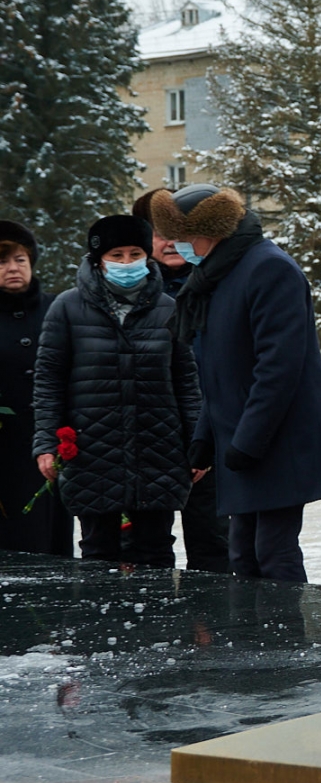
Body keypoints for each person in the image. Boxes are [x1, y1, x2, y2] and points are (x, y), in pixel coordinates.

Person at [150, 184, 321, 582]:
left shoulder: (267, 268)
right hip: (244, 440)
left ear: (212, 230)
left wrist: (247, 440)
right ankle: (253, 638)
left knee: (273, 553)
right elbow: (218, 370)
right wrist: (205, 441)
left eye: (184, 237)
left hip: (277, 441)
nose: (178, 245)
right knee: (242, 554)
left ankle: (283, 641)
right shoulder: (216, 273)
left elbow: (278, 367)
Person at [31, 215, 201, 566]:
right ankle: (102, 621)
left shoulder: (170, 308)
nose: (127, 263)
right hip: (92, 450)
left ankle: (157, 620)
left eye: (135, 253)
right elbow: (48, 382)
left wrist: (198, 444)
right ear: (98, 260)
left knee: (156, 550)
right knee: (98, 552)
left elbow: (186, 382)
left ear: (147, 256)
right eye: (116, 255)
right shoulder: (66, 308)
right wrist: (47, 443)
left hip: (158, 450)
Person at [133, 187, 230, 573]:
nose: (171, 241)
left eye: (180, 231)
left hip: (211, 428)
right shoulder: (130, 292)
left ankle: (211, 625)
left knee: (213, 541)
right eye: (159, 232)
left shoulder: (216, 280)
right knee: (148, 546)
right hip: (149, 435)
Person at [0, 221, 71, 555]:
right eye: (2, 262)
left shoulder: (58, 309)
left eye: (20, 259)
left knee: (53, 541)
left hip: (55, 445)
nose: (12, 268)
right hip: (5, 449)